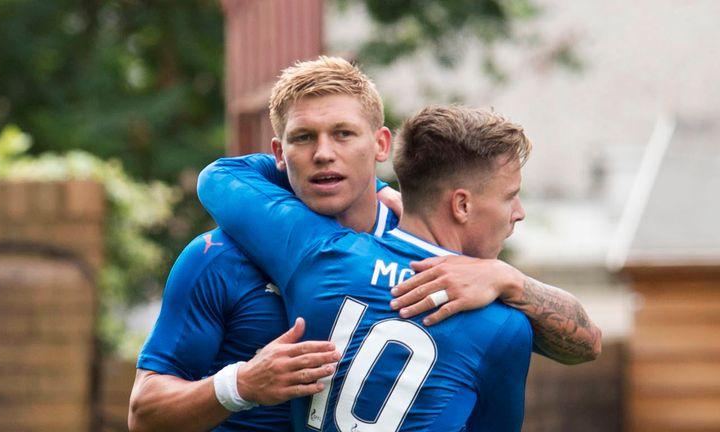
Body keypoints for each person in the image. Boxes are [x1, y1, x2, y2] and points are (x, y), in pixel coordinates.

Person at [130, 56, 600, 431]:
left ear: (379, 145)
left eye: (342, 134)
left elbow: (580, 345)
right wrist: (241, 384)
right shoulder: (218, 259)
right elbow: (144, 414)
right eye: (302, 138)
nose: (323, 153)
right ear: (278, 153)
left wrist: (506, 278)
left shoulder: (463, 276)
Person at [198, 104, 547, 430]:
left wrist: (371, 183)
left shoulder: (320, 252)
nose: (519, 212)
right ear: (461, 205)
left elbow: (220, 176)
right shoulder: (505, 324)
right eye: (509, 196)